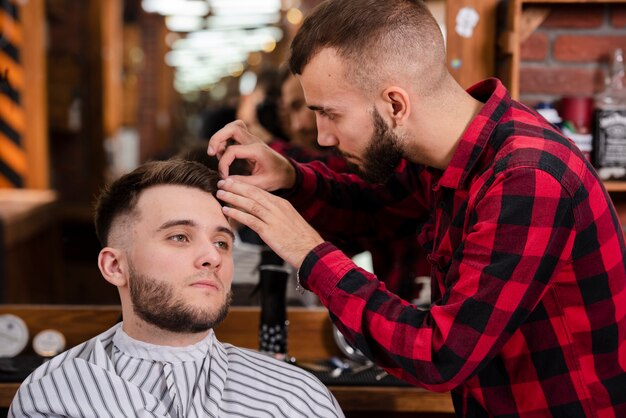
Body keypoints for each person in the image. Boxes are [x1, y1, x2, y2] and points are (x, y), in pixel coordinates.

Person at [207, 0, 626, 417]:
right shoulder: (449, 154)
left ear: (394, 104)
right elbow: (374, 209)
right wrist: (291, 177)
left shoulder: (528, 179)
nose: (322, 138)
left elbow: (440, 355)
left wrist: (308, 252)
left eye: (330, 114)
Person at [8, 160, 344, 418]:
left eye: (221, 242)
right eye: (179, 237)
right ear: (114, 266)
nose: (212, 256)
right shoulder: (54, 396)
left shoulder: (294, 399)